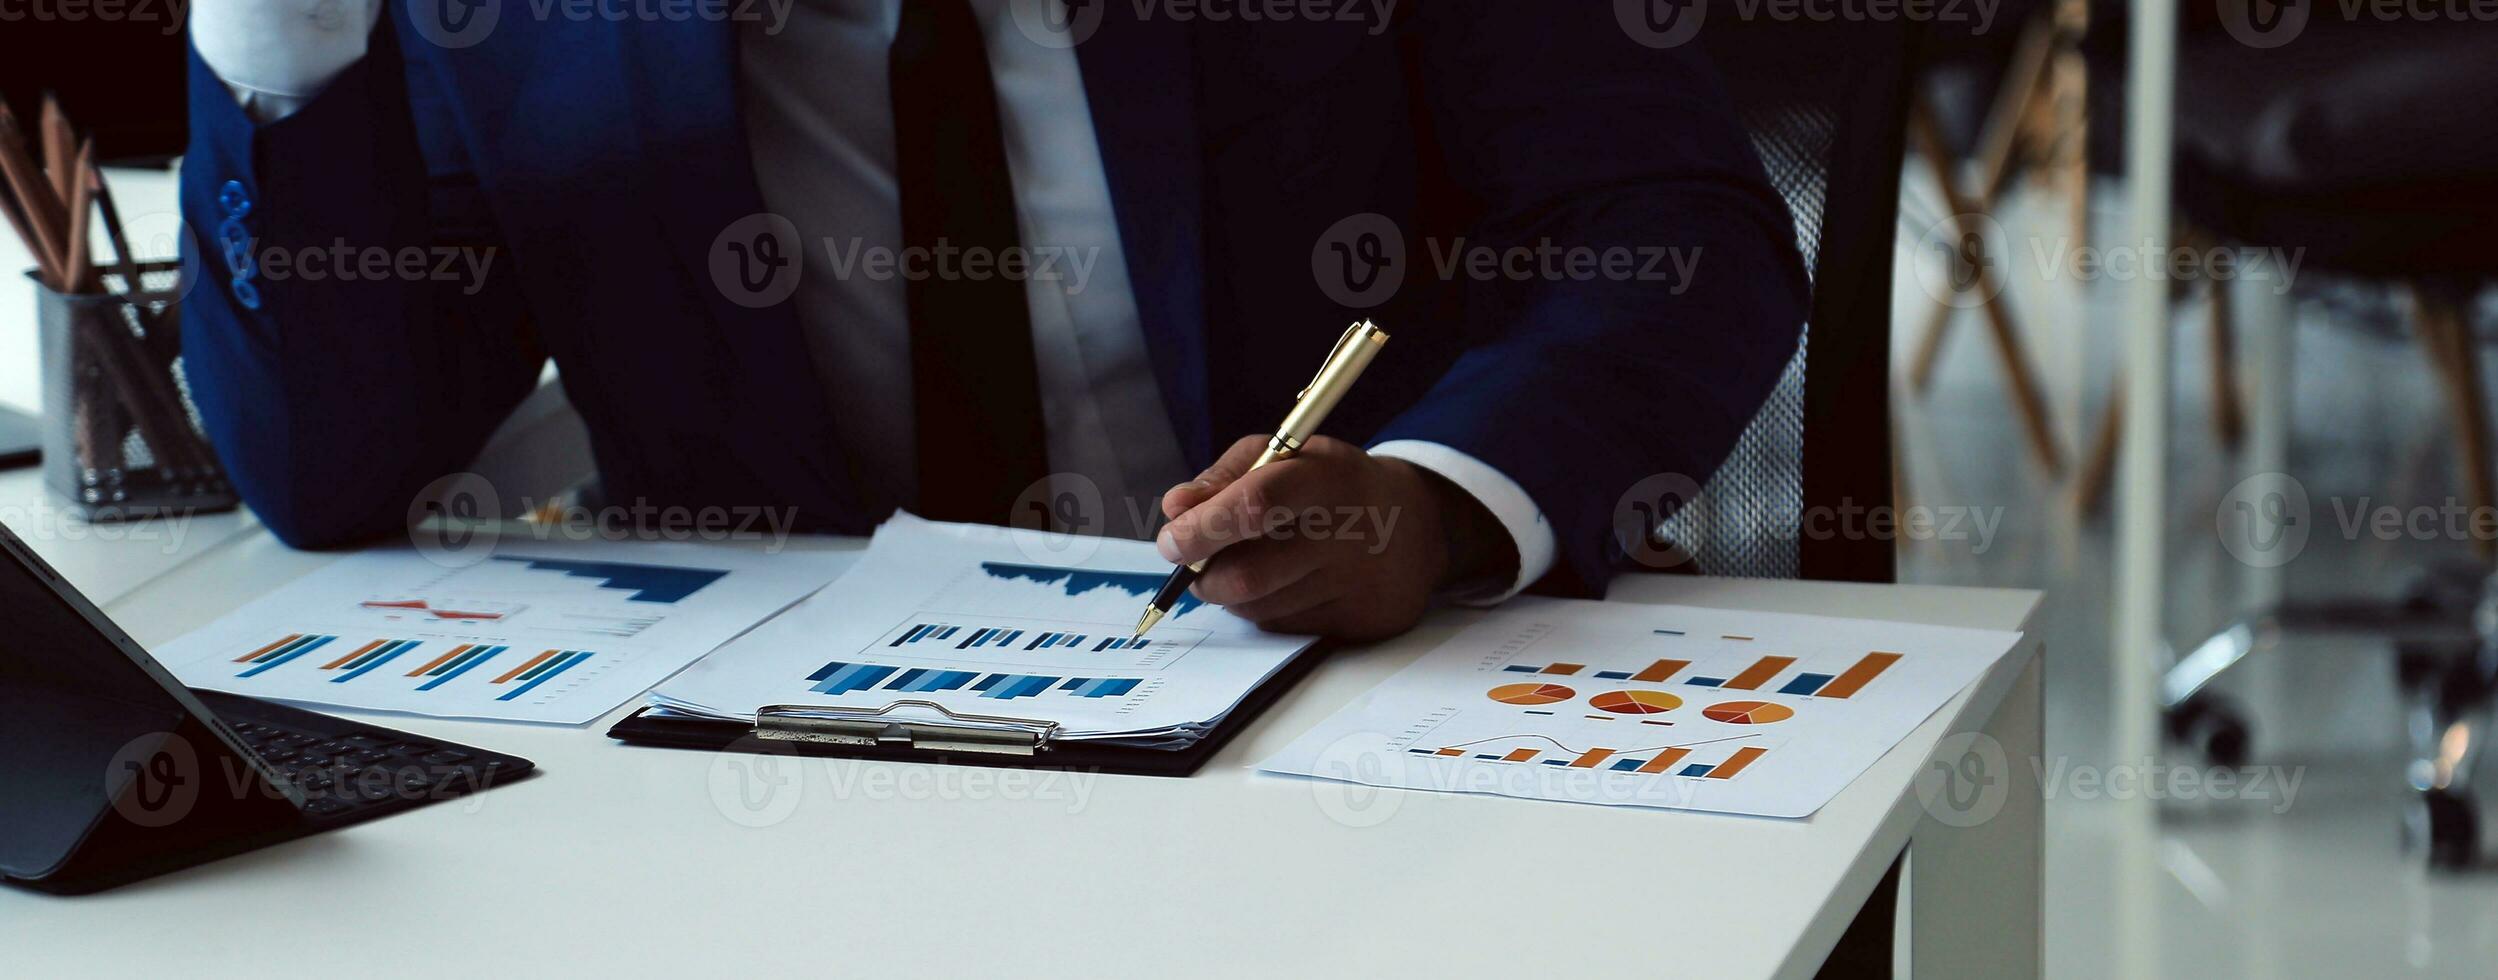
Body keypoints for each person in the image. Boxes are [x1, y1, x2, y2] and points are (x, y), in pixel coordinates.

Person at [180, 0, 1807, 640]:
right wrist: (281, 36)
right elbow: (338, 470)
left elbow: (1667, 224)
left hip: (1353, 696)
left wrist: (1445, 502)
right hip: (789, 771)